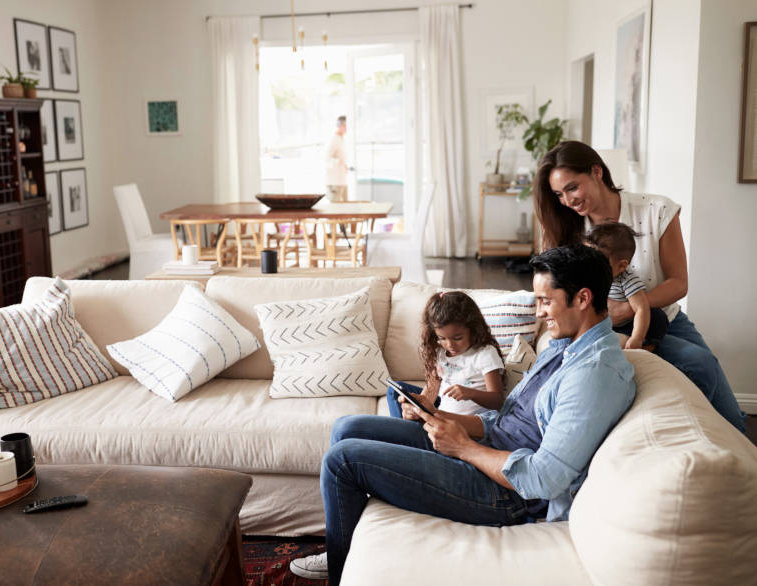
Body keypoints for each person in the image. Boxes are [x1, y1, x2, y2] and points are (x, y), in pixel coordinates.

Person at [289, 244, 636, 584]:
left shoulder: (594, 374)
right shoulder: (564, 347)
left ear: (582, 298)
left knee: (343, 460)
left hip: (507, 492)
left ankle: (338, 566)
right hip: (485, 449)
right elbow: (506, 419)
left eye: (546, 301)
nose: (540, 312)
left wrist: (463, 447)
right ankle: (345, 544)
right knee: (347, 427)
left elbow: (544, 479)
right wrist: (446, 420)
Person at [534, 140, 747, 432]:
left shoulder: (656, 210)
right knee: (697, 363)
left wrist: (628, 308)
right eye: (559, 194)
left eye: (572, 188)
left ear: (597, 172)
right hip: (604, 327)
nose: (567, 201)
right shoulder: (568, 228)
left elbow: (678, 283)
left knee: (723, 400)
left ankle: (729, 440)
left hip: (664, 317)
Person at [386, 291, 505, 419]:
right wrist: (416, 410)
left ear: (473, 329)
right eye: (442, 338)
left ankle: (405, 429)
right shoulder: (440, 353)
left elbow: (498, 401)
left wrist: (471, 393)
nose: (450, 345)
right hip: (439, 417)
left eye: (458, 338)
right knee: (395, 392)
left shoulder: (485, 354)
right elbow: (430, 392)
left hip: (463, 424)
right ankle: (407, 427)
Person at [584, 222, 668, 350]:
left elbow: (641, 309)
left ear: (622, 266)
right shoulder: (588, 276)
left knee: (657, 316)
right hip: (603, 325)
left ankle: (647, 346)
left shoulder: (627, 281)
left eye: (598, 263)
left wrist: (637, 337)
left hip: (628, 326)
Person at [325, 115, 348, 202]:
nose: (347, 129)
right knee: (336, 206)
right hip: (335, 181)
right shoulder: (333, 140)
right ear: (341, 126)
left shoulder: (341, 139)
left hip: (342, 180)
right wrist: (339, 162)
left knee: (345, 206)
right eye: (346, 126)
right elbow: (326, 159)